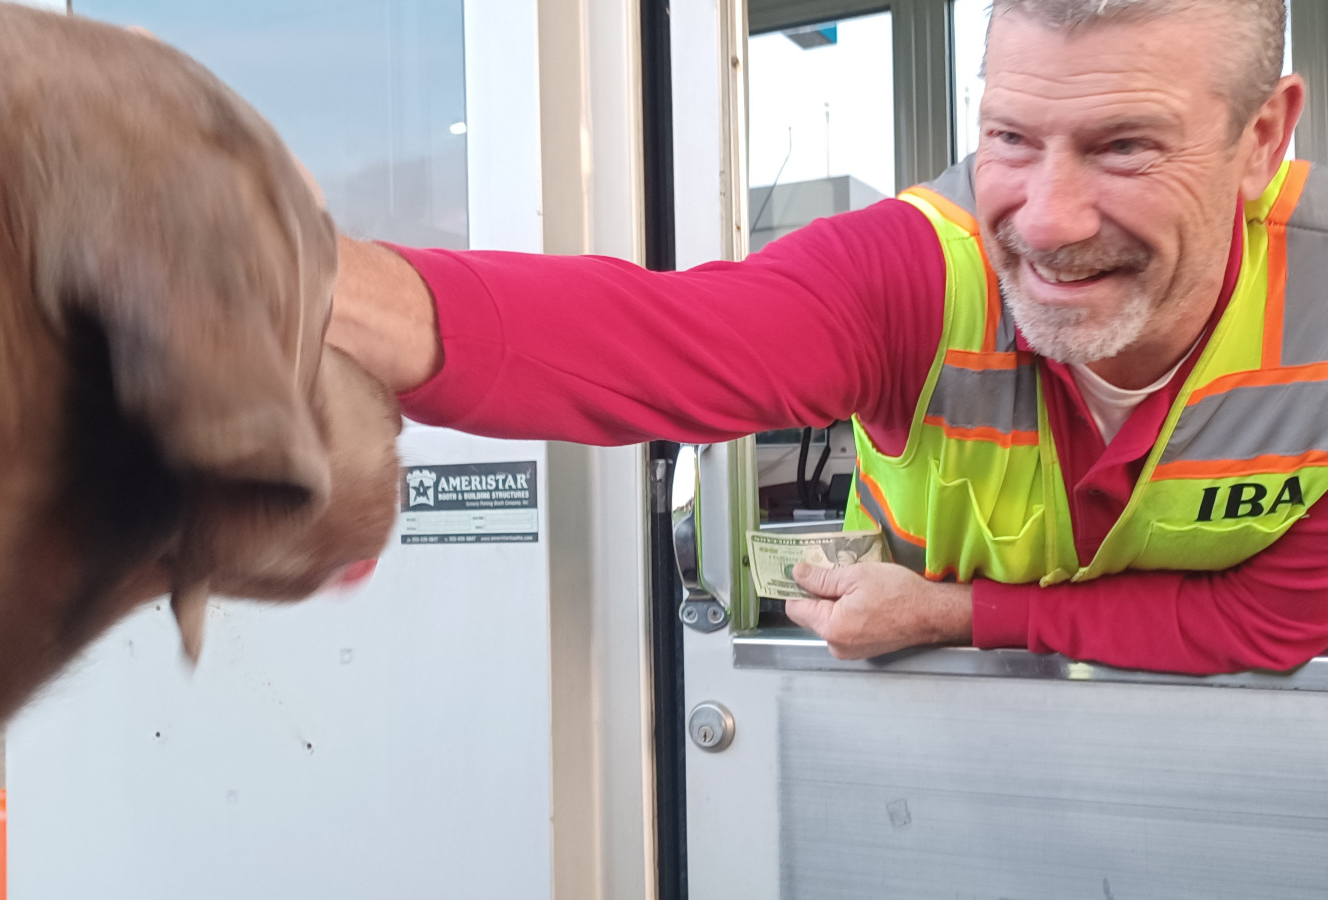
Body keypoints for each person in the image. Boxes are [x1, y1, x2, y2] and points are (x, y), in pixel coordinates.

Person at [325, 0, 1325, 676]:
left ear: (1262, 140)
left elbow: (1269, 618)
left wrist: (958, 613)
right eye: (1010, 138)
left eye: (1126, 147)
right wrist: (302, 289)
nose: (1049, 220)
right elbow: (652, 340)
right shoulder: (917, 270)